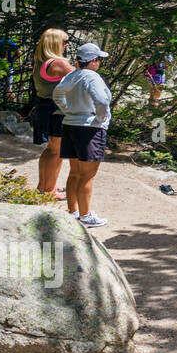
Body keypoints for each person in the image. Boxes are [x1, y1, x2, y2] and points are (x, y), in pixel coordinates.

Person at [52, 43, 112, 228]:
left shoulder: (72, 75)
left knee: (75, 172)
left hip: (70, 125)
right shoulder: (92, 77)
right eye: (99, 59)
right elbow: (101, 100)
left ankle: (73, 212)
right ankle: (86, 216)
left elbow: (57, 94)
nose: (99, 63)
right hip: (89, 129)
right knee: (87, 175)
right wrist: (100, 119)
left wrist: (67, 110)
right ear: (93, 61)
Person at [31, 28, 73, 201]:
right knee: (57, 152)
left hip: (44, 108)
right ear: (56, 44)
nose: (67, 45)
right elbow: (83, 78)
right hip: (57, 111)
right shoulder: (58, 63)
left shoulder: (41, 61)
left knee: (50, 150)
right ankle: (49, 191)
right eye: (64, 42)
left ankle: (44, 186)